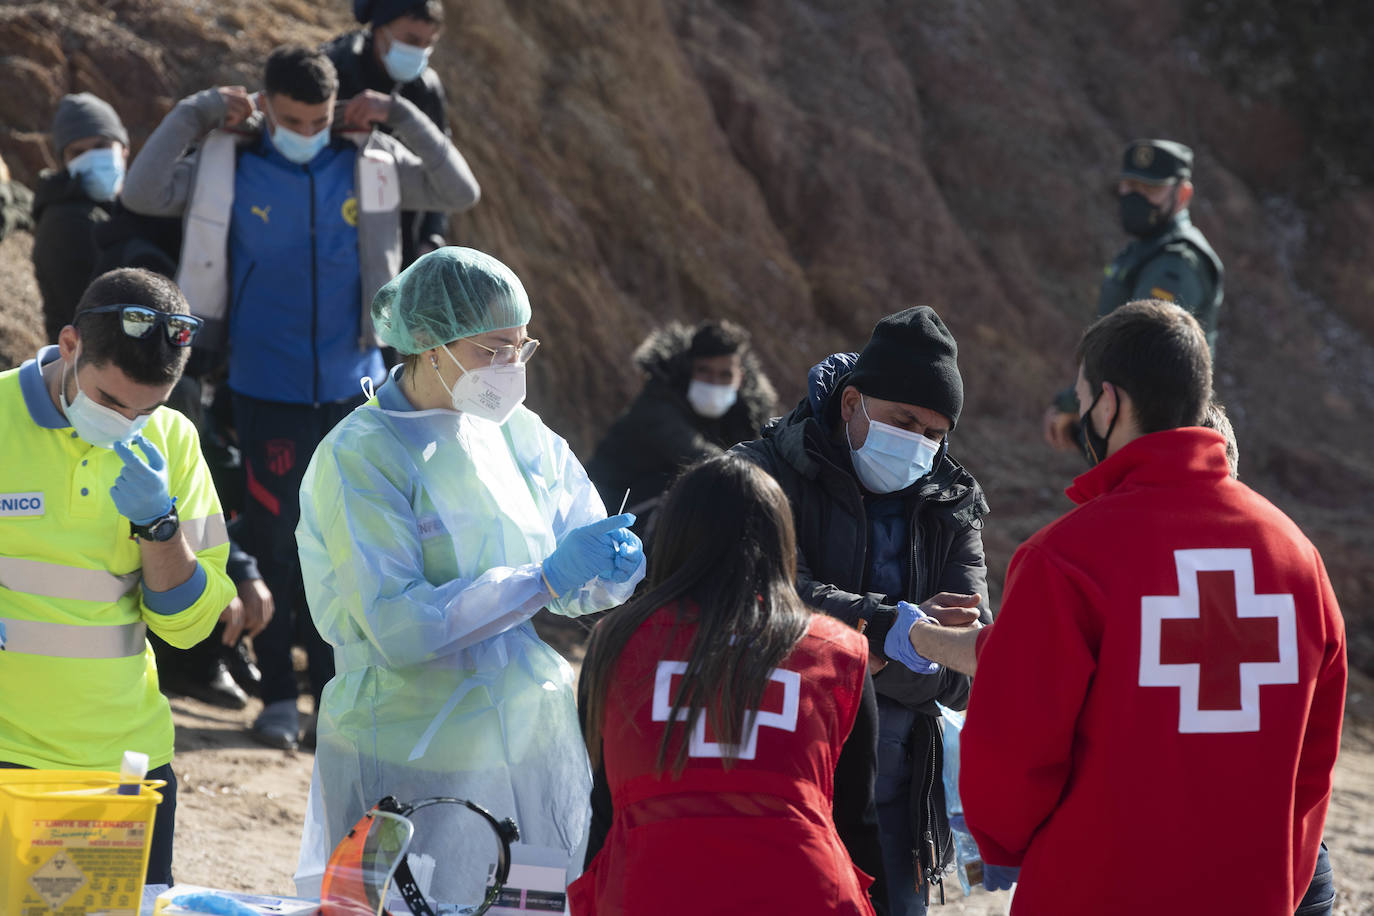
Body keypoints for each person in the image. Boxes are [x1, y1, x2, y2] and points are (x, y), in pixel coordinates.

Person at [122, 44, 481, 749]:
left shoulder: (369, 163)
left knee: (355, 545)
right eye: (291, 120)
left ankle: (333, 697)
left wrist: (400, 114)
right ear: (265, 106)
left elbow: (459, 190)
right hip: (266, 388)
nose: (307, 131)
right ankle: (280, 697)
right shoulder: (230, 166)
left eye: (319, 119)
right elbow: (141, 191)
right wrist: (198, 112)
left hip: (355, 386)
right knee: (278, 545)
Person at [960, 301, 1346, 915]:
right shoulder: (1298, 557)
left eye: (1082, 398)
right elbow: (1314, 762)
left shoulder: (1065, 557)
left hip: (1094, 895)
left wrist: (1004, 841)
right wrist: (1281, 880)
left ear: (1108, 403)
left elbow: (1013, 753)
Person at [292, 247, 645, 901]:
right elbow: (400, 625)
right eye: (493, 349)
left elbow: (576, 564)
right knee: (411, 906)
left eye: (520, 347)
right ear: (430, 343)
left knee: (530, 904)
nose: (511, 367)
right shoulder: (362, 455)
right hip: (405, 749)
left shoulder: (518, 435)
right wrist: (541, 580)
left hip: (525, 741)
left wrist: (610, 569)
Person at [734, 306, 992, 915]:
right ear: (852, 403)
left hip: (896, 798)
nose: (919, 444)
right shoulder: (761, 474)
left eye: (934, 434)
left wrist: (865, 651)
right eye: (904, 422)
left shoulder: (952, 507)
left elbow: (968, 670)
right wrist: (894, 632)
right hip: (775, 774)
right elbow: (767, 597)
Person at [0, 267, 237, 884]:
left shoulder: (174, 440)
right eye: (110, 401)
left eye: (147, 409)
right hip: (8, 759)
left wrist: (160, 527)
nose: (128, 423)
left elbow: (190, 627)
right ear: (69, 345)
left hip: (126, 766)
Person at [570, 454, 885, 915]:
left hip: (649, 887)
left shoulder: (614, 642)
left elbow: (605, 810)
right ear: (781, 543)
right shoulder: (838, 651)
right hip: (803, 890)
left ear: (673, 535)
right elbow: (857, 820)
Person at [1043, 138, 1224, 451]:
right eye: (1129, 185)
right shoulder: (1144, 250)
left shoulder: (1176, 261)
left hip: (1153, 436)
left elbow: (1138, 354)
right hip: (1126, 425)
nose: (1135, 197)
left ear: (1182, 195)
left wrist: (1072, 403)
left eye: (1150, 189)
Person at [586, 319, 777, 532]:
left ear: (740, 378)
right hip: (607, 509)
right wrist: (751, 476)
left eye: (725, 375)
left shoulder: (745, 419)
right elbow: (696, 454)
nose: (714, 382)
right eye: (704, 371)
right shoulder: (657, 403)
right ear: (689, 371)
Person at [324, 0, 451, 265]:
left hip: (398, 231)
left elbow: (439, 163)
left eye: (428, 43)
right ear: (381, 29)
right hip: (333, 222)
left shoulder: (425, 88)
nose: (419, 51)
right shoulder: (335, 68)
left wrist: (431, 237)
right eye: (411, 40)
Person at [31, 93, 129, 342]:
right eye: (78, 152)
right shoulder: (68, 221)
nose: (92, 158)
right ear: (64, 163)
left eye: (101, 146)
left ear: (124, 150)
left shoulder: (121, 212)